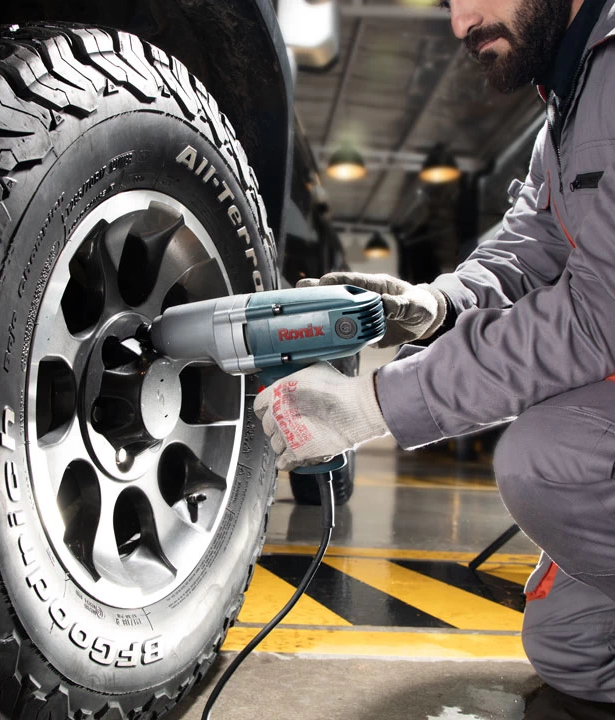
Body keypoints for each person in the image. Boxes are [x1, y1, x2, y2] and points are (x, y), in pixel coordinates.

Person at [254, 0, 615, 717]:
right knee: (571, 648)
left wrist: (375, 404)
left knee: (549, 456)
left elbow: (597, 313)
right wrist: (436, 302)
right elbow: (533, 244)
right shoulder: (572, 97)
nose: (460, 22)